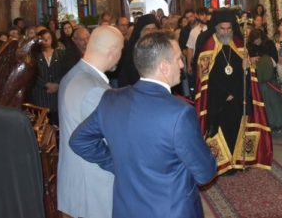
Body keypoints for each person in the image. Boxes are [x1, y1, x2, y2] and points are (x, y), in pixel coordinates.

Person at [70, 31, 217, 218]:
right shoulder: (180, 113)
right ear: (164, 66)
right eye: (178, 59)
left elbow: (79, 140)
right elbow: (204, 173)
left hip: (126, 209)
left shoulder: (111, 99)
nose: (182, 65)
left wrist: (115, 163)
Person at [194, 9, 272, 175]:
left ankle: (237, 162)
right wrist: (224, 94)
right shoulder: (208, 46)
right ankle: (223, 165)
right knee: (220, 130)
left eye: (229, 28)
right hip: (217, 101)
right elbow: (206, 79)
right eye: (222, 28)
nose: (226, 32)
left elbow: (246, 76)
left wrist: (246, 69)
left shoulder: (239, 44)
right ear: (216, 28)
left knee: (238, 129)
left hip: (237, 97)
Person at [57, 25, 124, 218]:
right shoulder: (95, 88)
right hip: (94, 186)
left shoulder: (75, 73)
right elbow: (104, 141)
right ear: (112, 51)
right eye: (121, 50)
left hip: (78, 180)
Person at [248, 28, 282, 131]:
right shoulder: (249, 46)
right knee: (264, 104)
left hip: (271, 78)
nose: (257, 42)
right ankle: (269, 124)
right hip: (257, 79)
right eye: (255, 40)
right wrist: (251, 60)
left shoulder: (269, 44)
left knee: (275, 102)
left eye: (258, 39)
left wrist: (263, 60)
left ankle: (280, 123)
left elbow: (275, 59)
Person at [30, 28, 66, 125]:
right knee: (42, 125)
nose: (46, 40)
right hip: (40, 94)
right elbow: (33, 73)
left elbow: (65, 71)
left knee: (57, 125)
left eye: (48, 38)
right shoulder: (34, 55)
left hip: (57, 94)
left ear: (52, 39)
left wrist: (57, 84)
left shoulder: (61, 54)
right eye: (43, 38)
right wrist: (46, 84)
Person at [117, 14, 159, 87]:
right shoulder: (131, 51)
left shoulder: (162, 47)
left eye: (154, 29)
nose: (151, 32)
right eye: (147, 29)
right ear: (140, 31)